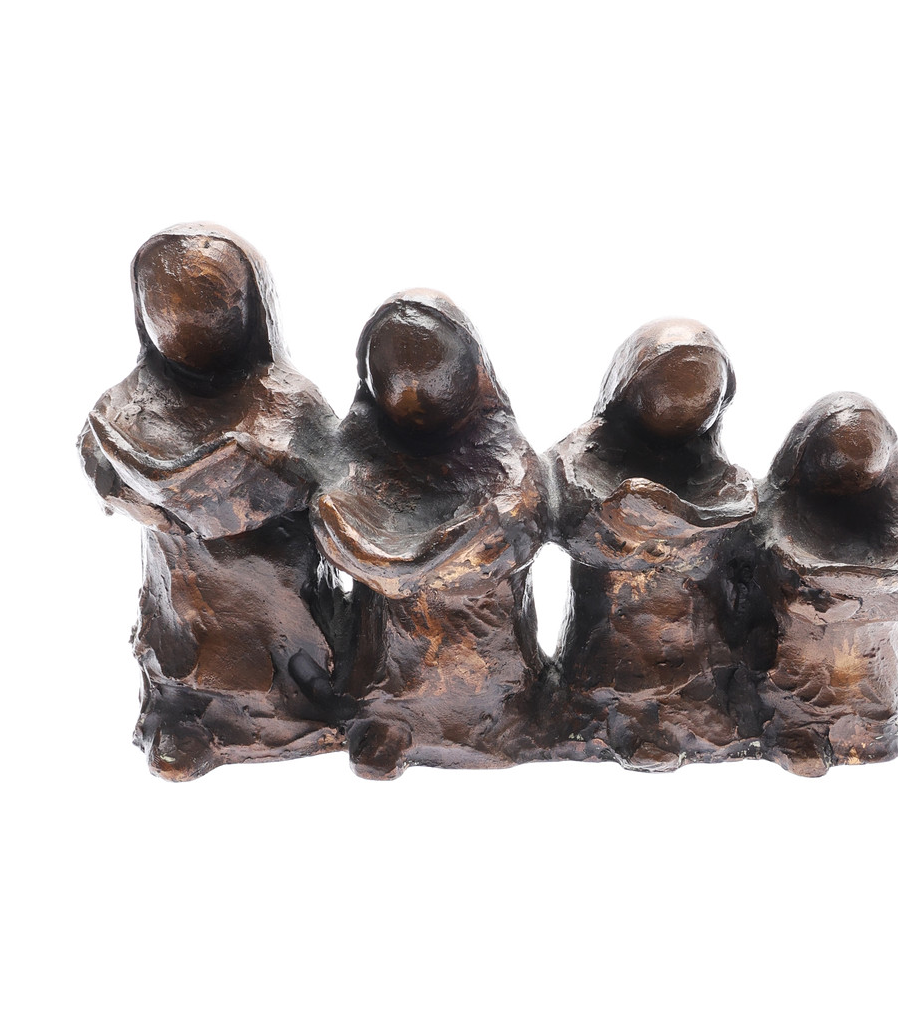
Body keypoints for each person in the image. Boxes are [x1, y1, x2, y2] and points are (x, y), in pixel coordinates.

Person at [78, 223, 346, 780]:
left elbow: (330, 475)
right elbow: (98, 458)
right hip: (184, 582)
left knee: (290, 656)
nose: (186, 317)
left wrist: (245, 481)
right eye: (166, 301)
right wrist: (166, 498)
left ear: (249, 308)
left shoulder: (286, 398)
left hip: (272, 577)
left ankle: (312, 708)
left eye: (210, 301)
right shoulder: (132, 401)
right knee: (186, 649)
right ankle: (187, 717)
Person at [311, 290, 548, 779]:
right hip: (393, 636)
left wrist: (453, 548)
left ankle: (496, 725)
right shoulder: (362, 439)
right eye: (393, 375)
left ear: (470, 372)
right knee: (392, 669)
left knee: (482, 682)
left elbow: (522, 512)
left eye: (431, 370)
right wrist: (371, 547)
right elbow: (329, 506)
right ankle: (387, 722)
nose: (412, 391)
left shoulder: (499, 443)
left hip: (477, 623)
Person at [547, 319, 758, 770]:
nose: (684, 406)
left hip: (692, 633)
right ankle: (618, 727)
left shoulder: (716, 473)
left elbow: (743, 548)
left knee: (699, 697)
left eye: (704, 395)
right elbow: (558, 517)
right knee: (619, 691)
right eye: (670, 387)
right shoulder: (580, 458)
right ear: (631, 385)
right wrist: (621, 534)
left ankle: (688, 726)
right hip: (615, 632)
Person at [754, 392, 898, 776]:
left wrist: (856, 604)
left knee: (874, 710)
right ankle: (796, 735)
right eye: (836, 466)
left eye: (863, 468)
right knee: (800, 699)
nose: (850, 479)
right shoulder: (779, 510)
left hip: (874, 661)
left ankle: (874, 735)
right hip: (807, 654)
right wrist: (815, 603)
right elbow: (774, 582)